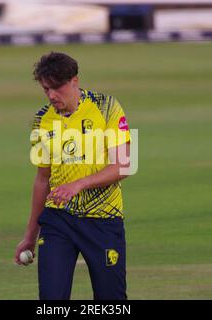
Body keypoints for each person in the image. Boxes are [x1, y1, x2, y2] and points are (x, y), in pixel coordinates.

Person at [14, 51, 132, 300]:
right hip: (58, 221)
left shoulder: (107, 107)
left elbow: (124, 165)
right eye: (46, 89)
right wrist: (29, 235)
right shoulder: (41, 120)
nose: (51, 95)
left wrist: (79, 184)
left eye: (57, 87)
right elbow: (42, 180)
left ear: (74, 81)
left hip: (103, 220)